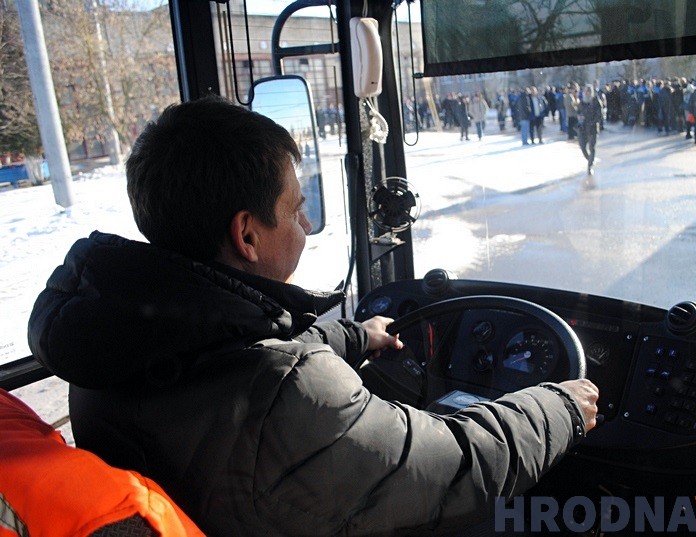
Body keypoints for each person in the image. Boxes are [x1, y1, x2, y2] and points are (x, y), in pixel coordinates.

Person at [27, 95, 599, 536]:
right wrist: (559, 407)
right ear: (247, 234)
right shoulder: (290, 393)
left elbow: (240, 355)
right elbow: (454, 463)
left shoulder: (112, 340)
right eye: (297, 210)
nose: (305, 226)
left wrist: (353, 336)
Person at [578, 84, 604, 175]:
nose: (587, 93)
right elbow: (579, 111)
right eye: (586, 91)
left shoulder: (596, 101)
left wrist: (592, 122)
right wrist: (580, 118)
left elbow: (599, 115)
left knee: (591, 147)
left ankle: (589, 166)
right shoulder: (582, 101)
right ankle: (590, 159)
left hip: (592, 128)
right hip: (583, 128)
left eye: (589, 91)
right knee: (582, 146)